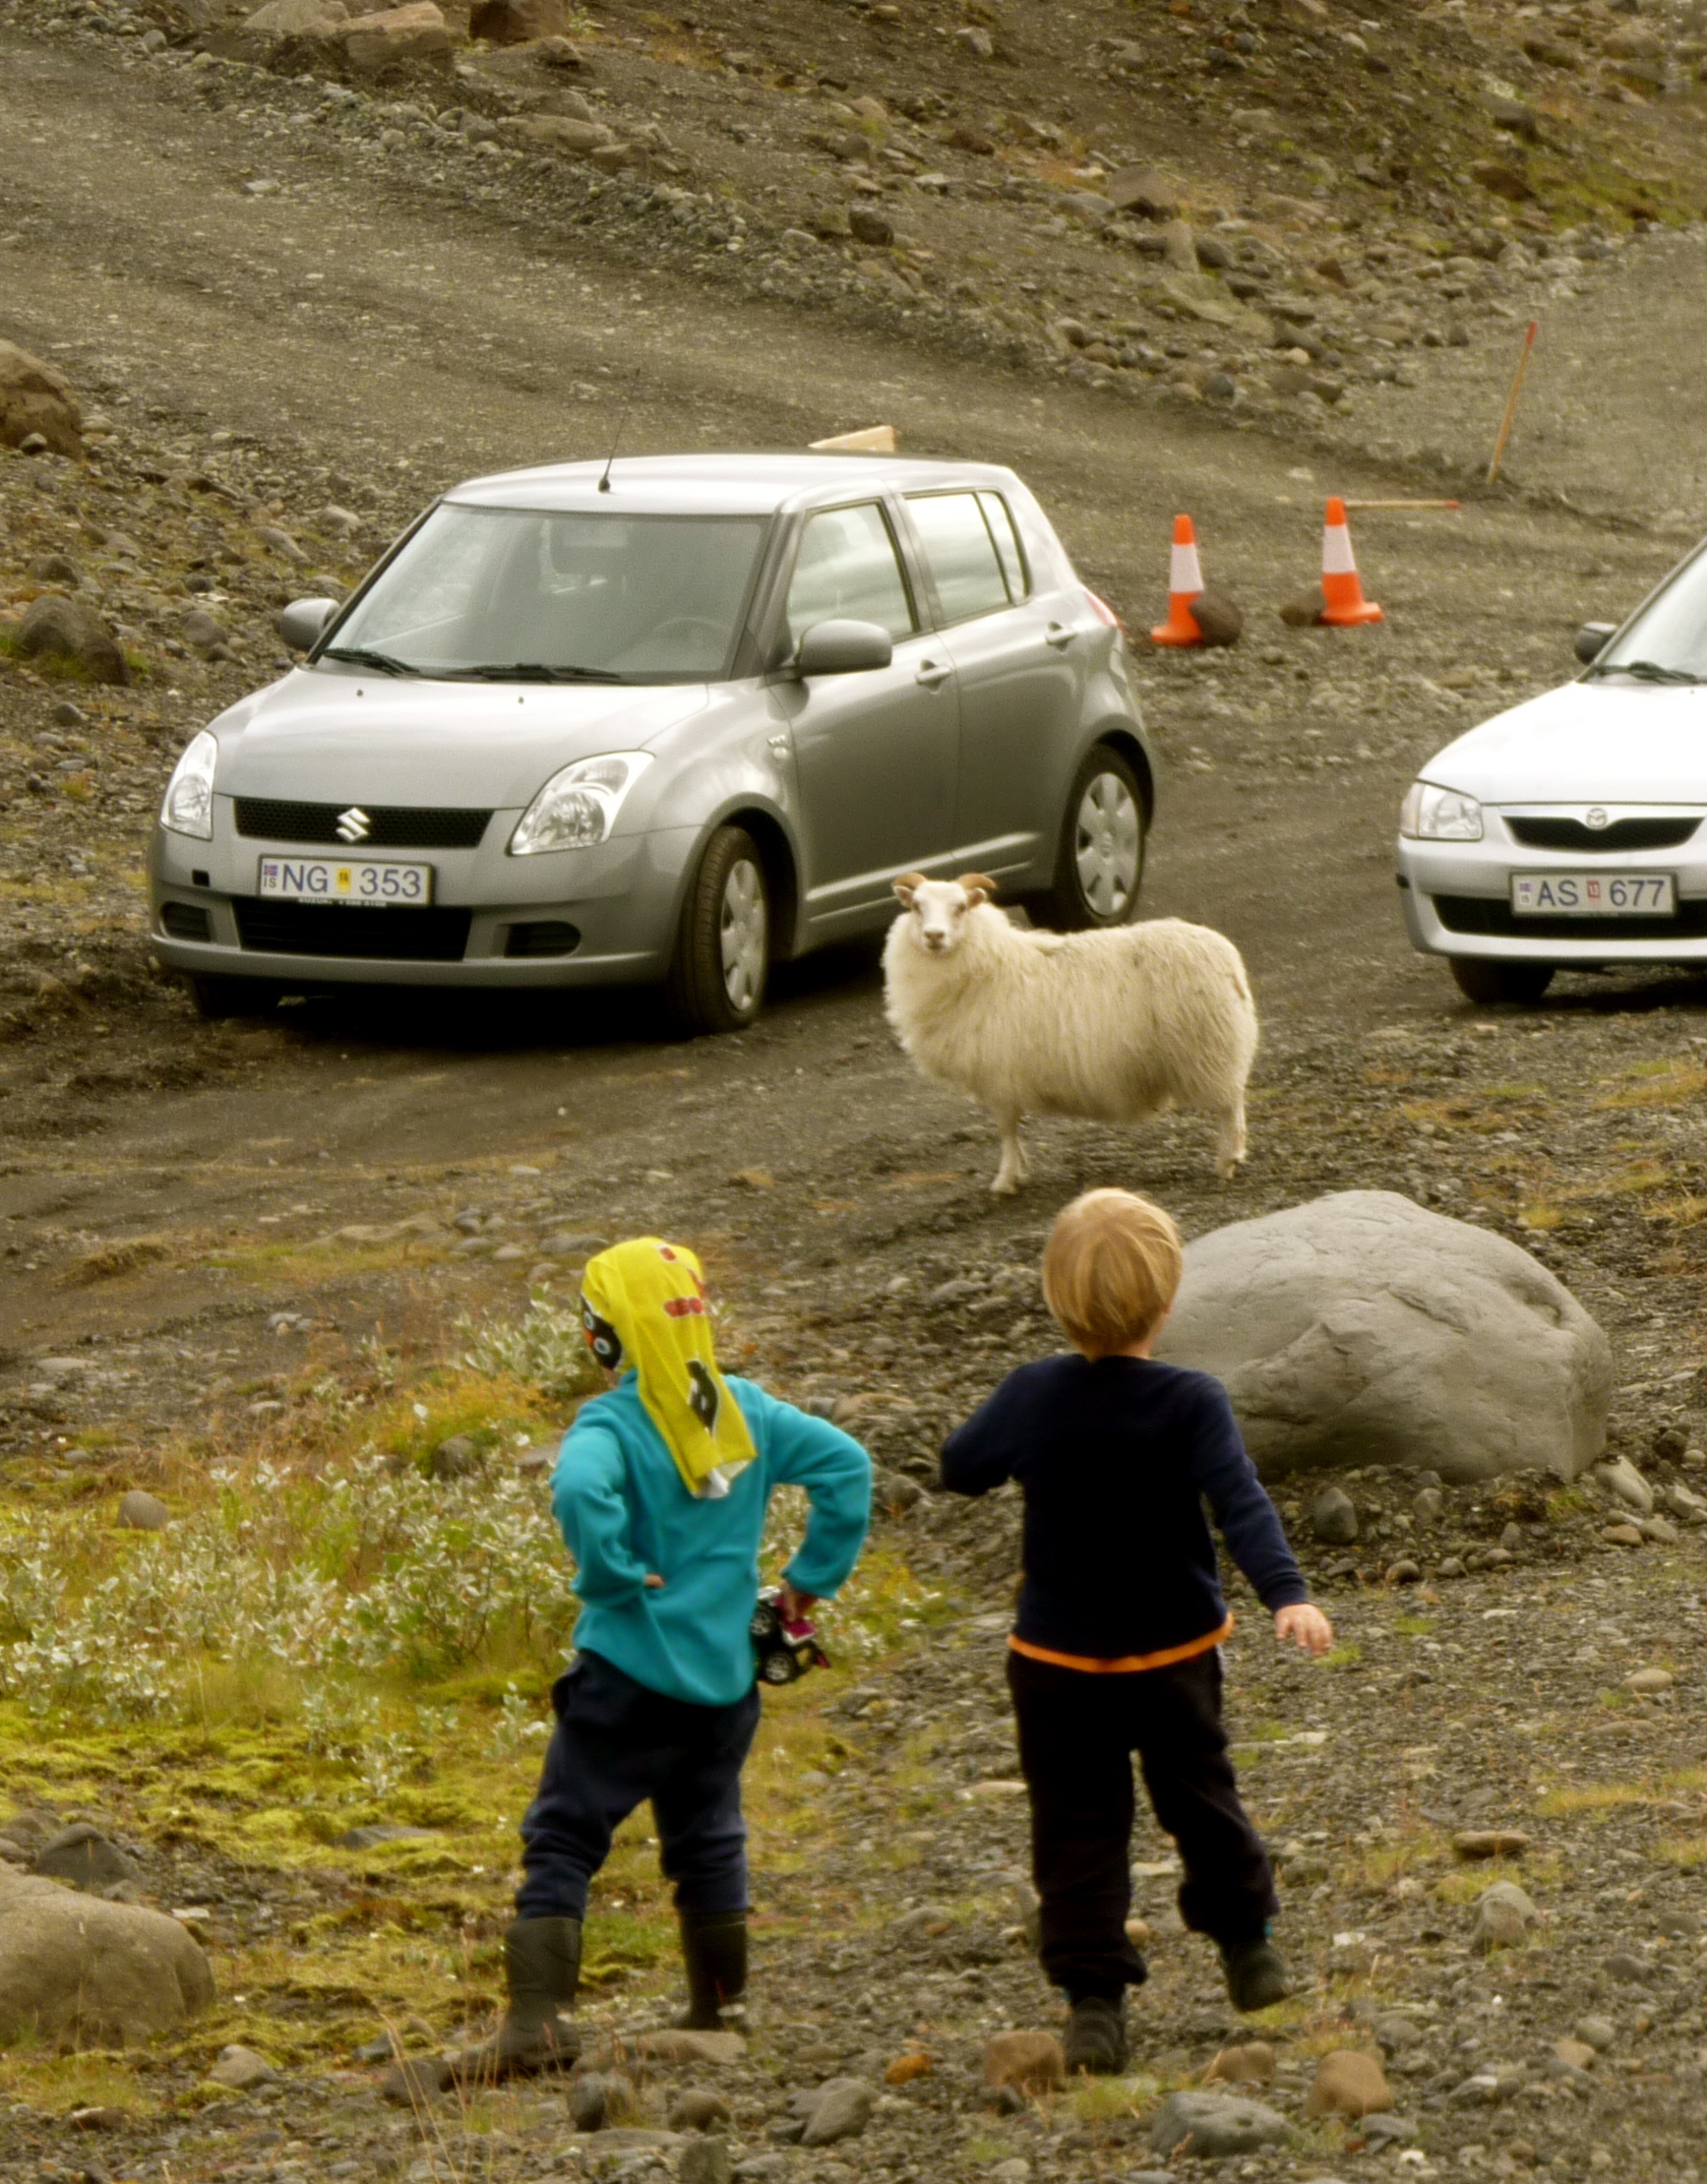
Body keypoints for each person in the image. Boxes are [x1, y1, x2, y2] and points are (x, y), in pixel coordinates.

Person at [939, 1188, 1333, 2075]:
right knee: (1201, 1797)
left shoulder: (1032, 1393)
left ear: (1055, 1298)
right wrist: (1286, 1594)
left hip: (1056, 1665)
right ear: (1168, 1299)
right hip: (1172, 1656)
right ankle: (1248, 1950)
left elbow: (959, 1468)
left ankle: (1092, 2007)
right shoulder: (1191, 1399)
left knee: (1075, 1827)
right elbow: (1240, 1504)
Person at [460, 1237, 872, 2081]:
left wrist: (608, 1571)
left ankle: (537, 2022)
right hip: (725, 1687)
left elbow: (577, 1491)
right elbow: (848, 1466)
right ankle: (720, 2007)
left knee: (565, 1834)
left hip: (625, 1679)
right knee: (708, 1837)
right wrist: (808, 1581)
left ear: (605, 1338)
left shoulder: (610, 1423)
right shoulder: (746, 1410)